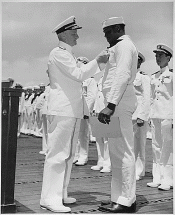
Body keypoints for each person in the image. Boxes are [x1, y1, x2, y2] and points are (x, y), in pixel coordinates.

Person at [40, 15, 109, 213]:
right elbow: (79, 75)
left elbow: (82, 74)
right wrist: (98, 60)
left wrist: (98, 64)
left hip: (71, 110)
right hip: (63, 110)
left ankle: (60, 194)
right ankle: (49, 198)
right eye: (74, 32)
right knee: (57, 154)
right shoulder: (59, 53)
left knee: (68, 155)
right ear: (63, 34)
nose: (77, 36)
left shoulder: (67, 55)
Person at [98, 16, 138, 213]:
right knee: (116, 152)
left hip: (119, 103)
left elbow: (122, 74)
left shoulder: (124, 46)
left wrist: (111, 104)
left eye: (107, 32)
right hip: (116, 103)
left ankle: (126, 200)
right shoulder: (118, 46)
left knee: (124, 151)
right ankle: (118, 197)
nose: (105, 37)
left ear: (117, 29)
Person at [147, 44, 173, 191]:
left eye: (160, 56)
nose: (157, 58)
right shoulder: (154, 76)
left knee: (168, 148)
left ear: (168, 58)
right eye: (156, 56)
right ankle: (157, 178)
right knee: (156, 146)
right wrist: (150, 115)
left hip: (167, 116)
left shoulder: (172, 75)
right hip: (156, 115)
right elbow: (152, 98)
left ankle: (168, 179)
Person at [74, 57, 98, 166]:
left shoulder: (90, 80)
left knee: (83, 134)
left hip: (83, 110)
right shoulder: (78, 79)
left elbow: (92, 96)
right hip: (76, 110)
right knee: (76, 134)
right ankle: (76, 155)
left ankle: (83, 156)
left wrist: (86, 111)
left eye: (78, 62)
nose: (77, 64)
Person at [132, 52, 151, 181]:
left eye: (136, 61)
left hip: (138, 115)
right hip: (128, 115)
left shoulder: (143, 78)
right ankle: (131, 169)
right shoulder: (127, 77)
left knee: (139, 144)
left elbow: (147, 97)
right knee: (129, 145)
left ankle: (139, 171)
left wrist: (142, 116)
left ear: (139, 63)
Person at [91, 77, 111, 173]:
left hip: (106, 111)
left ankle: (107, 164)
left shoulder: (112, 77)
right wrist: (94, 109)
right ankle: (101, 161)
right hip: (98, 111)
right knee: (98, 138)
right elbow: (97, 95)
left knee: (107, 139)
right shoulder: (100, 79)